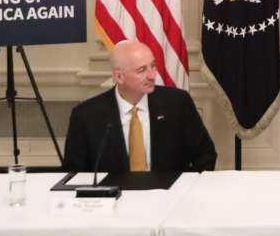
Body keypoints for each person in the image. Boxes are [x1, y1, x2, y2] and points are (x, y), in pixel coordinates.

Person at [62, 40, 216, 173]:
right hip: (114, 200)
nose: (151, 75)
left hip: (168, 197)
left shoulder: (177, 103)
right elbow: (75, 172)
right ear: (119, 77)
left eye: (153, 66)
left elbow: (205, 155)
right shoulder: (86, 115)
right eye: (141, 70)